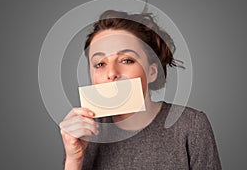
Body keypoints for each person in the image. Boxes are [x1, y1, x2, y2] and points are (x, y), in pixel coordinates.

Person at [59, 9, 222, 169]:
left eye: (126, 60)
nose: (112, 73)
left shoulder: (190, 125)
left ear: (152, 72)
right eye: (100, 64)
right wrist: (73, 160)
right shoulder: (86, 134)